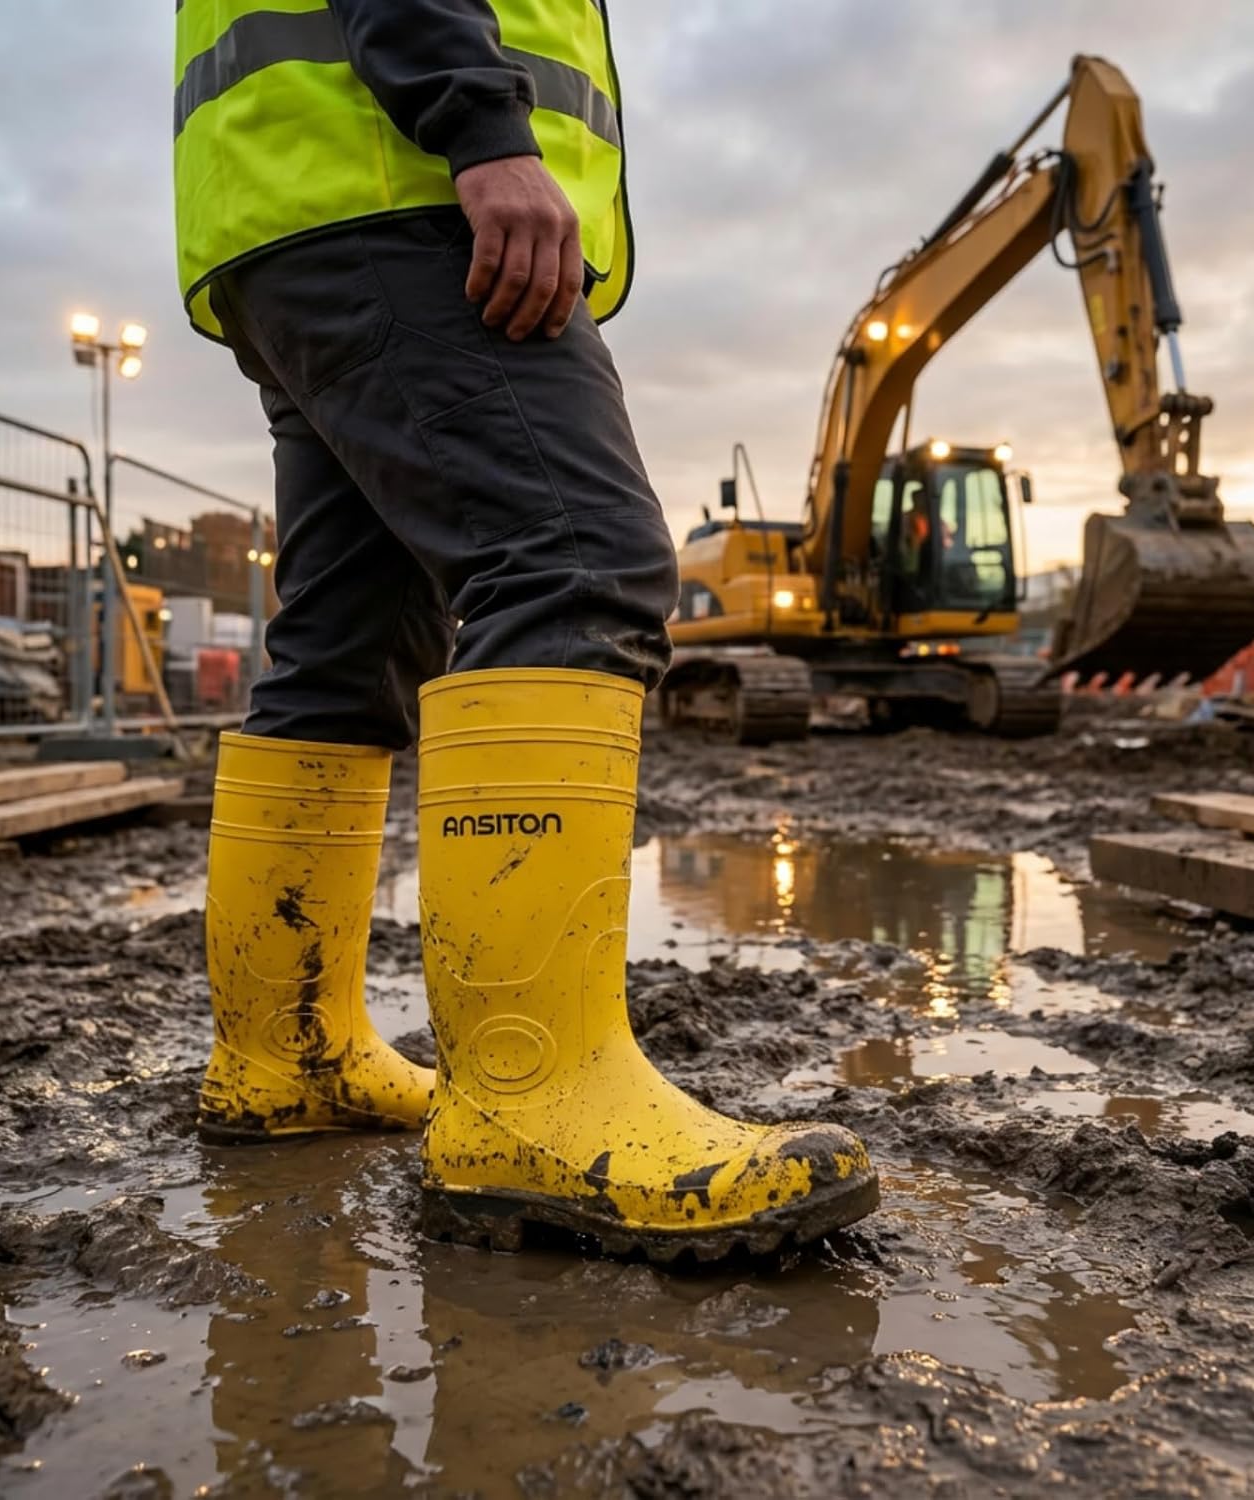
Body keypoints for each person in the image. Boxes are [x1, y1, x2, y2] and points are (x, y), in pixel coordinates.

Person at [173, 0, 878, 1262]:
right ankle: (531, 1097)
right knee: (576, 563)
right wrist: (481, 129)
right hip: (399, 183)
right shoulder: (445, 142)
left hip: (293, 203)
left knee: (350, 643)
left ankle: (287, 1054)